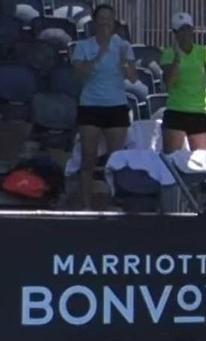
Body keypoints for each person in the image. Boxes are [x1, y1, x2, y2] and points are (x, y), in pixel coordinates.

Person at [70, 3, 137, 209]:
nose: (105, 23)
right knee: (88, 157)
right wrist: (100, 54)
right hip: (90, 106)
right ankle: (87, 205)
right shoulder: (83, 46)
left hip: (116, 107)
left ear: (113, 22)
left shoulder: (124, 46)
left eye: (109, 19)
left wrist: (125, 64)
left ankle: (114, 202)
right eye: (102, 19)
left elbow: (133, 78)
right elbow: (80, 75)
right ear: (95, 22)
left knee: (115, 159)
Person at [160, 12, 206, 153]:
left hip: (199, 111)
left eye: (187, 29)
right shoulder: (168, 53)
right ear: (175, 33)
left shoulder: (204, 51)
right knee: (171, 160)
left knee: (201, 161)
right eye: (180, 30)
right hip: (176, 110)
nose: (185, 34)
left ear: (192, 30)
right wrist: (177, 59)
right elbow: (169, 82)